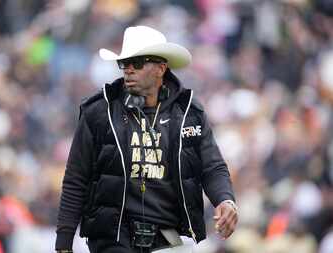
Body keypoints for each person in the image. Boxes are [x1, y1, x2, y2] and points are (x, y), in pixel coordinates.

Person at [55, 26, 238, 253]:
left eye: (138, 63)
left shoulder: (189, 112)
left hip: (169, 234)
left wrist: (225, 199)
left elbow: (212, 166)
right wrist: (63, 243)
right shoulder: (99, 111)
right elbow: (76, 178)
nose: (129, 70)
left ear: (161, 68)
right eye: (125, 63)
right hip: (113, 236)